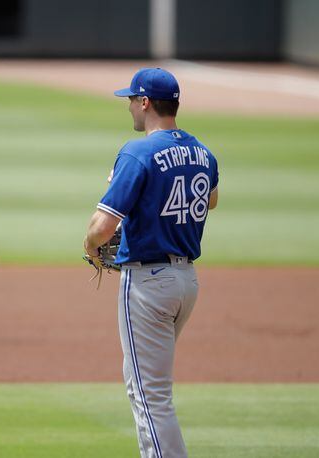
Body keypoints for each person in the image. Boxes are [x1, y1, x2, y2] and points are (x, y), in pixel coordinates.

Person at [83, 68, 219, 457]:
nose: (129, 107)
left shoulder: (138, 152)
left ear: (145, 103)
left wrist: (91, 247)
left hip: (148, 284)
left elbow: (103, 226)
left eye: (131, 100)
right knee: (144, 385)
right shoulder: (202, 152)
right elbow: (210, 201)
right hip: (185, 283)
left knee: (150, 396)